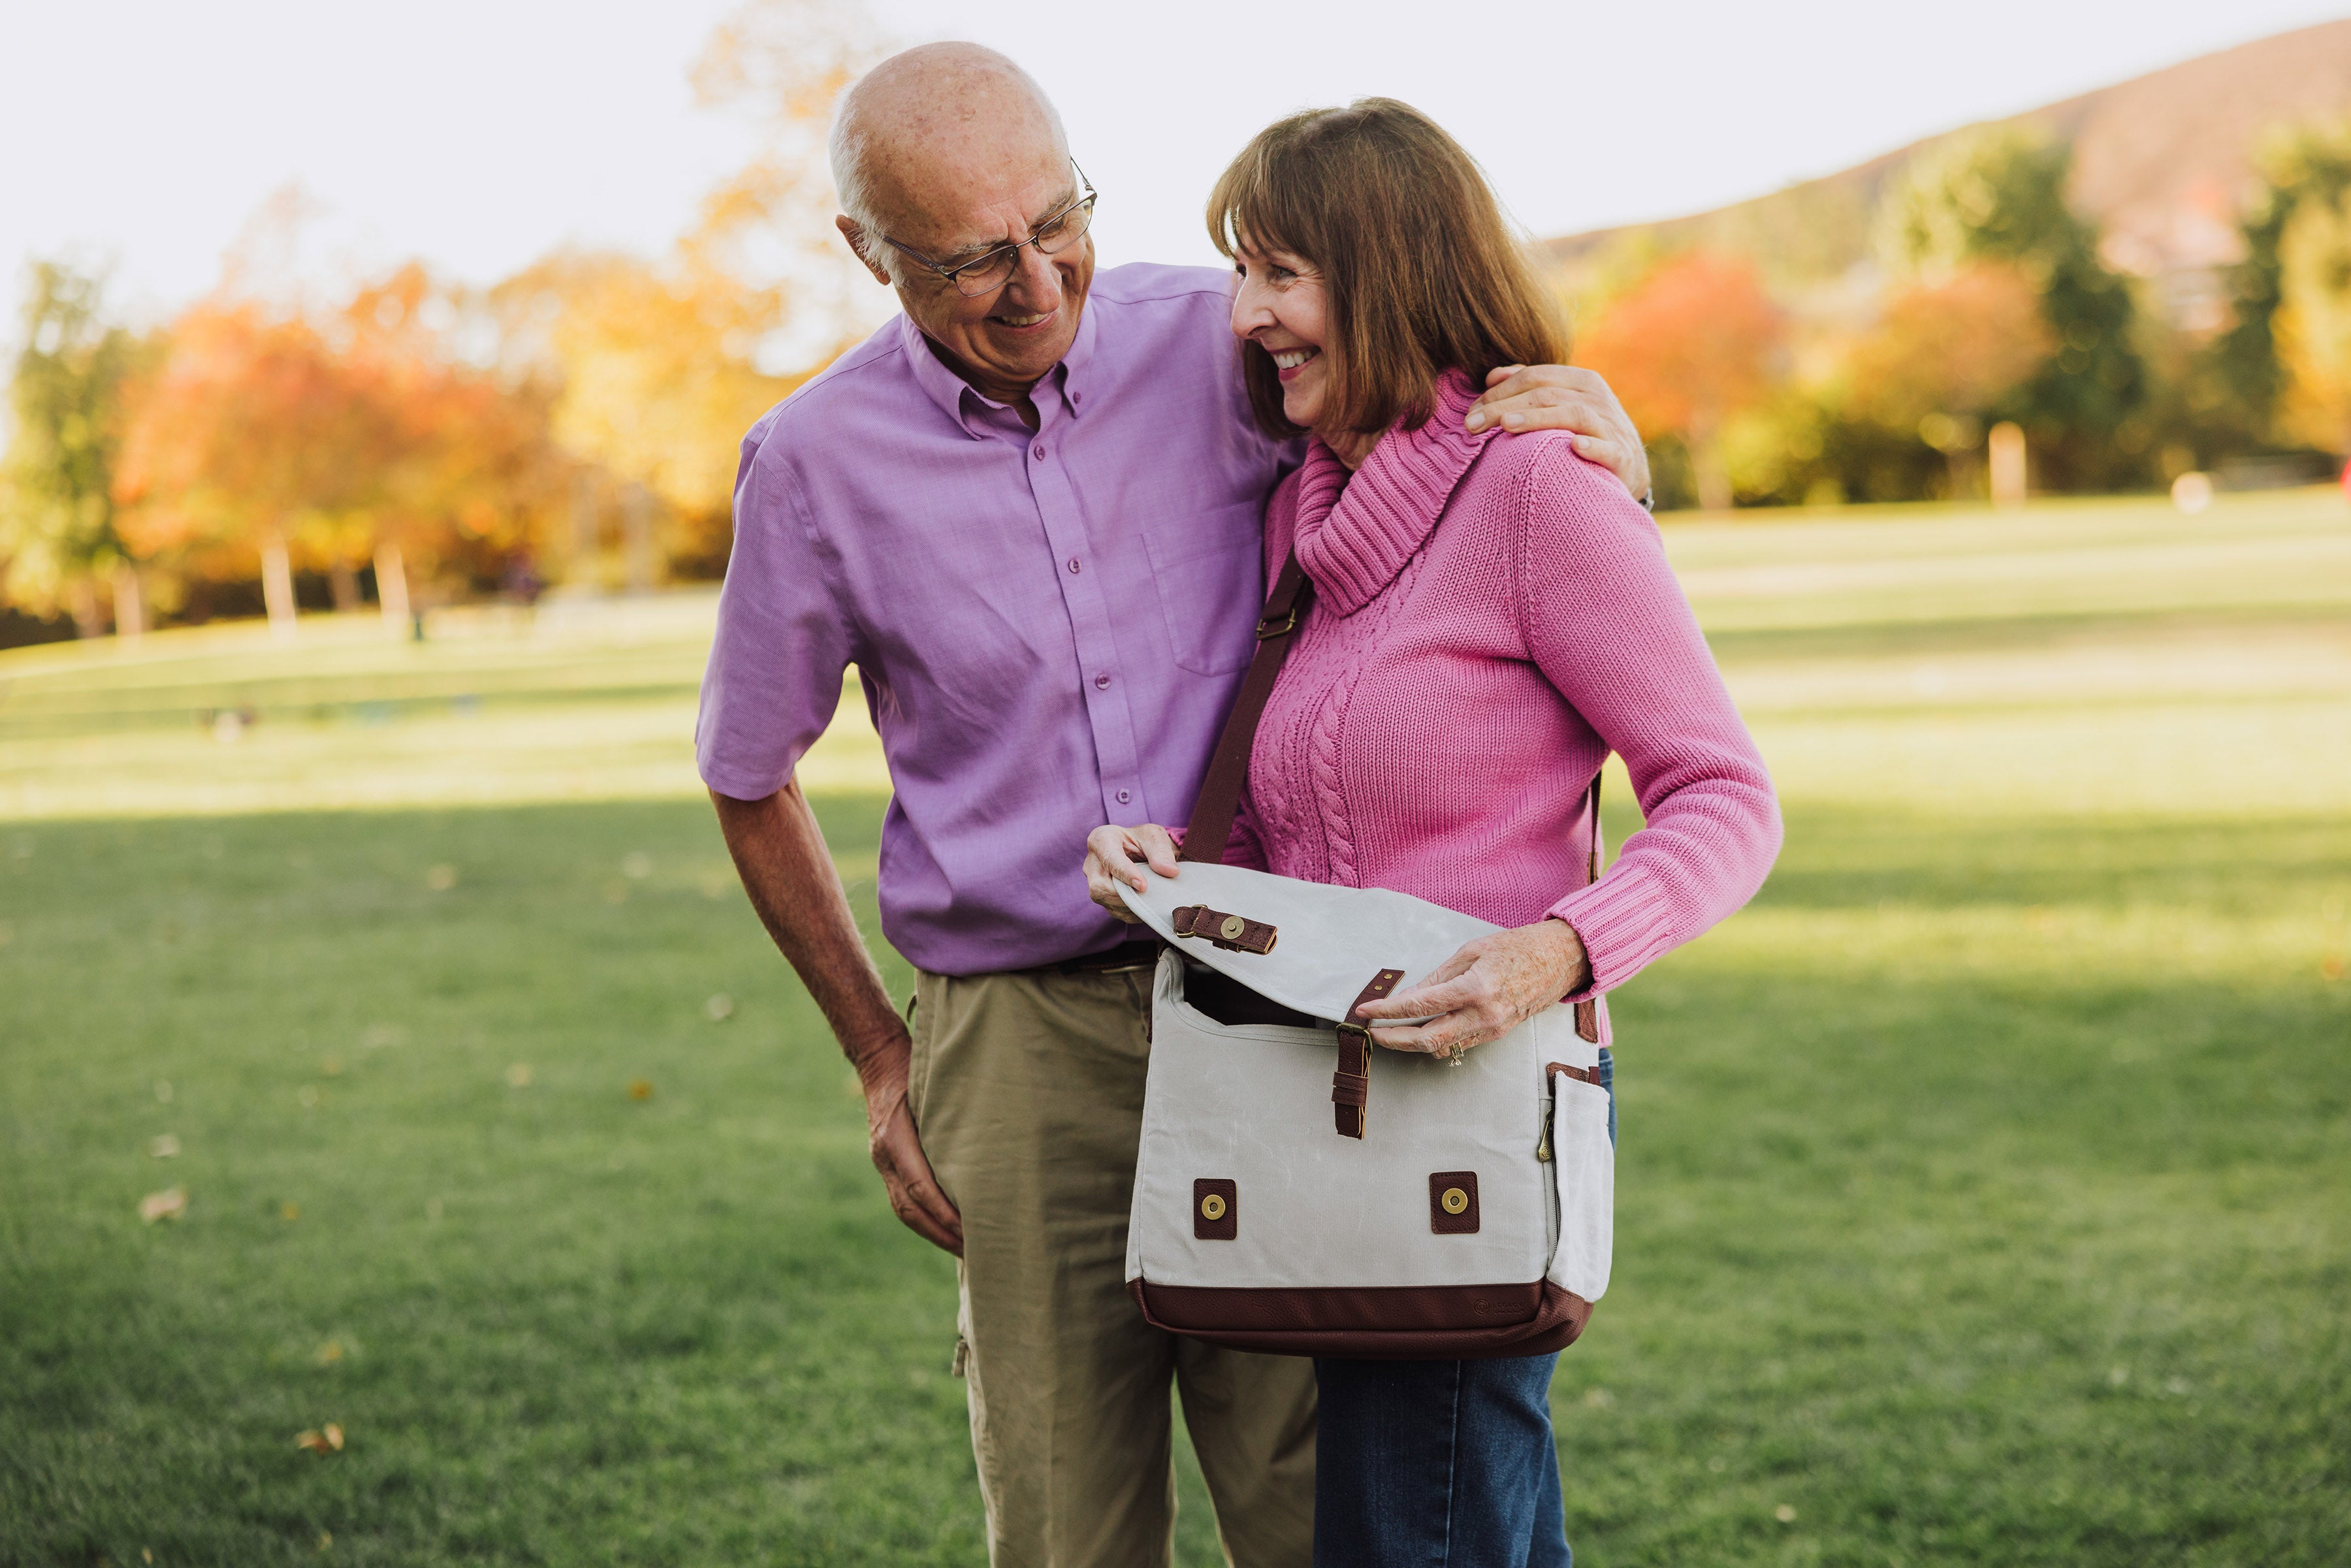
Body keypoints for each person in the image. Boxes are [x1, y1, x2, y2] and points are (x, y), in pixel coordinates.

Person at [697, 44, 1654, 1567]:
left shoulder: (1210, 341)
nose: (1035, 281)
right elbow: (747, 774)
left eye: (1055, 220)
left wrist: (1603, 428)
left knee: (1316, 1505)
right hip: (1018, 1042)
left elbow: (1441, 442)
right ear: (868, 255)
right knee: (1068, 1517)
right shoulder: (810, 468)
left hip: (1274, 1001)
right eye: (971, 258)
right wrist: (883, 1062)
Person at [1082, 100, 1782, 1565]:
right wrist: (1181, 873)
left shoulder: (1537, 491)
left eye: (1282, 271)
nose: (1247, 314)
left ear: (1386, 269)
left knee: (1419, 1521)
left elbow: (1727, 796)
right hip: (1326, 1111)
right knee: (1461, 1523)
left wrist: (1558, 954)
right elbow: (1310, 834)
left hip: (1478, 1101)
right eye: (1240, 271)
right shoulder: (1306, 519)